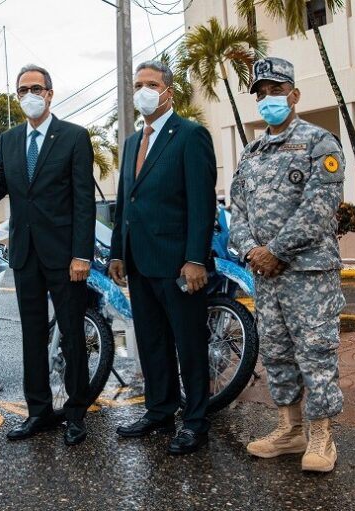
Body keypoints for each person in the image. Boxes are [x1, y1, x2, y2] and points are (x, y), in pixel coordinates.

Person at [0, 64, 95, 446]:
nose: (29, 95)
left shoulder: (74, 137)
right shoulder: (9, 139)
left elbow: (84, 201)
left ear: (49, 93)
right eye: (22, 90)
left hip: (66, 257)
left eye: (36, 88)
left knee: (72, 335)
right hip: (26, 254)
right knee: (32, 336)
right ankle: (38, 412)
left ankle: (77, 414)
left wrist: (82, 254)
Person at [229, 57, 346, 473]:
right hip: (266, 275)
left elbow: (320, 207)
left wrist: (275, 250)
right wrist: (250, 252)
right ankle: (289, 429)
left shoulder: (320, 142)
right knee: (277, 353)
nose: (268, 99)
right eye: (261, 93)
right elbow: (236, 210)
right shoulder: (252, 152)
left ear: (294, 95)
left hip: (308, 272)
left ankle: (321, 436)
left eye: (276, 91)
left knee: (315, 353)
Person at [109, 60, 217, 455]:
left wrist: (195, 258)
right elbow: (126, 201)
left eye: (150, 83)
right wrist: (118, 252)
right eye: (138, 84)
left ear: (168, 90)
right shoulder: (132, 142)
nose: (143, 90)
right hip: (138, 260)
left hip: (177, 263)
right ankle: (159, 410)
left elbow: (201, 204)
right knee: (152, 342)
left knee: (188, 344)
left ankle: (195, 422)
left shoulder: (190, 135)